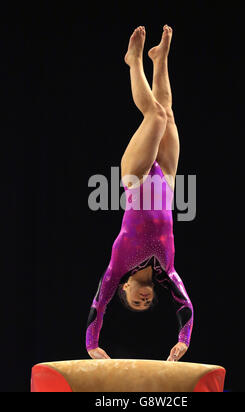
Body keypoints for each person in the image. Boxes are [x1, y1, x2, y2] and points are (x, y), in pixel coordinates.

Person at [86, 25, 193, 362]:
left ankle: (134, 61)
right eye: (147, 304)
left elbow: (97, 307)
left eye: (135, 301)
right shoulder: (167, 269)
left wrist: (92, 346)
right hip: (168, 181)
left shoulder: (118, 266)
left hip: (136, 180)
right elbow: (186, 306)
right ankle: (159, 59)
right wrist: (183, 339)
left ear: (126, 288)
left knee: (155, 115)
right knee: (168, 112)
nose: (144, 301)